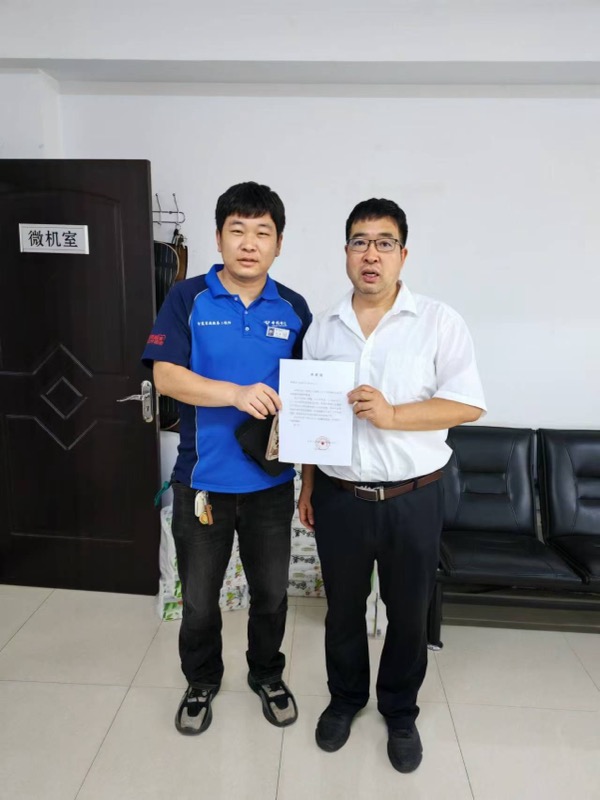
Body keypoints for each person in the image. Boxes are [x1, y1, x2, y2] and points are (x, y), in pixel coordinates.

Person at [298, 198, 486, 773]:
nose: (371, 254)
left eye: (384, 243)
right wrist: (307, 486)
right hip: (339, 498)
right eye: (360, 242)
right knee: (342, 611)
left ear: (403, 254)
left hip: (414, 497)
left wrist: (393, 414)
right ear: (346, 253)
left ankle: (400, 712)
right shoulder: (322, 328)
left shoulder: (438, 321)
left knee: (408, 614)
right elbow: (311, 416)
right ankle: (345, 699)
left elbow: (467, 404)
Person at [143, 181, 311, 736]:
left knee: (271, 596)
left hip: (270, 485)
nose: (249, 243)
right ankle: (201, 681)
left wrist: (311, 476)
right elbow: (165, 377)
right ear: (219, 237)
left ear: (278, 243)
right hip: (202, 482)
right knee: (199, 601)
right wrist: (235, 394)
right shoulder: (187, 298)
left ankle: (267, 674)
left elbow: (309, 398)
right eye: (237, 230)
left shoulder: (294, 309)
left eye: (263, 232)